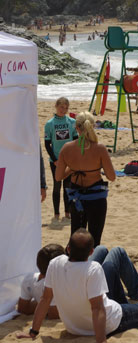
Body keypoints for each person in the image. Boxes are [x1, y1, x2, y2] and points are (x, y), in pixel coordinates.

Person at [17, 229, 138, 343]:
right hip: (113, 320)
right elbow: (97, 308)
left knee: (110, 256)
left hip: (76, 326)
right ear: (90, 253)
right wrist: (101, 341)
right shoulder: (92, 269)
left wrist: (33, 332)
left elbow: (45, 299)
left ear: (67, 249)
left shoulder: (55, 264)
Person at [55, 111, 116, 247]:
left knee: (76, 241)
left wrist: (72, 168)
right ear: (93, 126)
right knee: (95, 240)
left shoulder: (67, 148)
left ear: (76, 128)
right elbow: (112, 177)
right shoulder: (100, 148)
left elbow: (58, 177)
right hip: (96, 197)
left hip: (77, 198)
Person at [44, 97, 78, 220]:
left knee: (67, 187)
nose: (63, 110)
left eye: (66, 108)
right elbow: (47, 144)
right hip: (56, 161)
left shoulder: (71, 122)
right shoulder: (50, 124)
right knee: (57, 186)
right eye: (61, 107)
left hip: (69, 160)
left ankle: (67, 212)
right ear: (56, 106)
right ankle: (56, 213)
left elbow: (75, 141)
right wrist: (55, 159)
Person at [17, 244, 64, 319]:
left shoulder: (29, 278)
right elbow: (54, 314)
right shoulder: (55, 284)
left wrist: (42, 305)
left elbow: (23, 309)